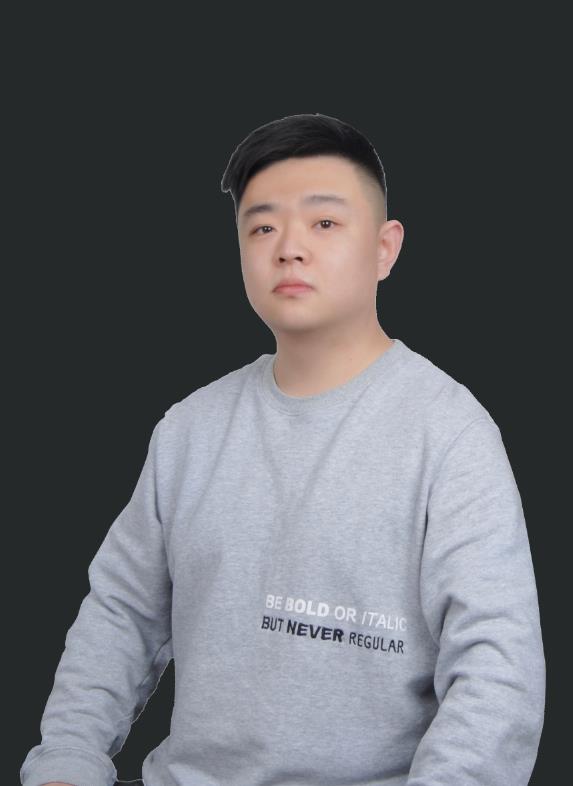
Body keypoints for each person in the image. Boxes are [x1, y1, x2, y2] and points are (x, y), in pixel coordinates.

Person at [20, 113, 545, 786]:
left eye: (324, 222)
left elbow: (496, 670)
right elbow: (120, 617)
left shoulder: (450, 432)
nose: (289, 248)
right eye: (262, 227)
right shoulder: (189, 429)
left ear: (385, 249)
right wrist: (67, 760)